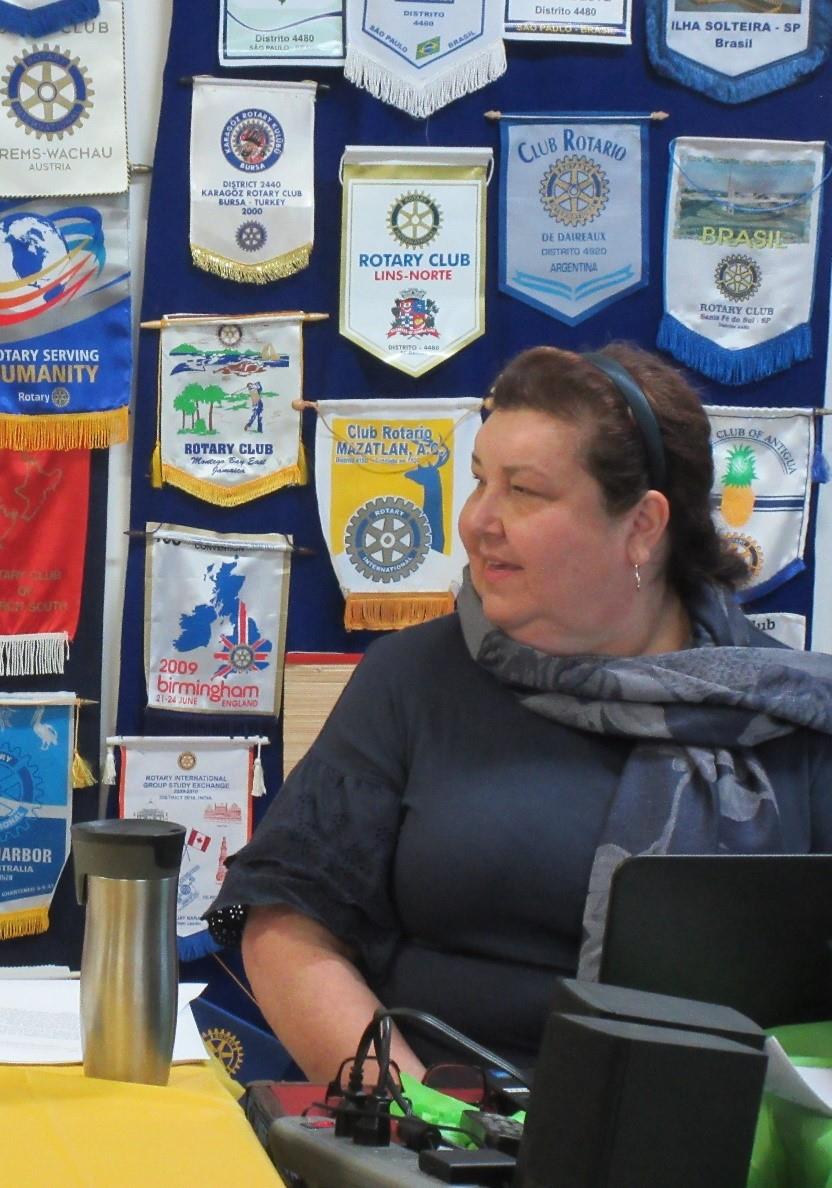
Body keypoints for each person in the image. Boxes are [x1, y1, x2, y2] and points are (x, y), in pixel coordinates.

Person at [209, 343, 832, 1080]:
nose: (478, 520)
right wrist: (415, 1119)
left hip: (723, 1129)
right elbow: (285, 922)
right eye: (480, 480)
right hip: (437, 1118)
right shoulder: (412, 680)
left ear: (642, 525)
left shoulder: (792, 716)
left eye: (524, 491)